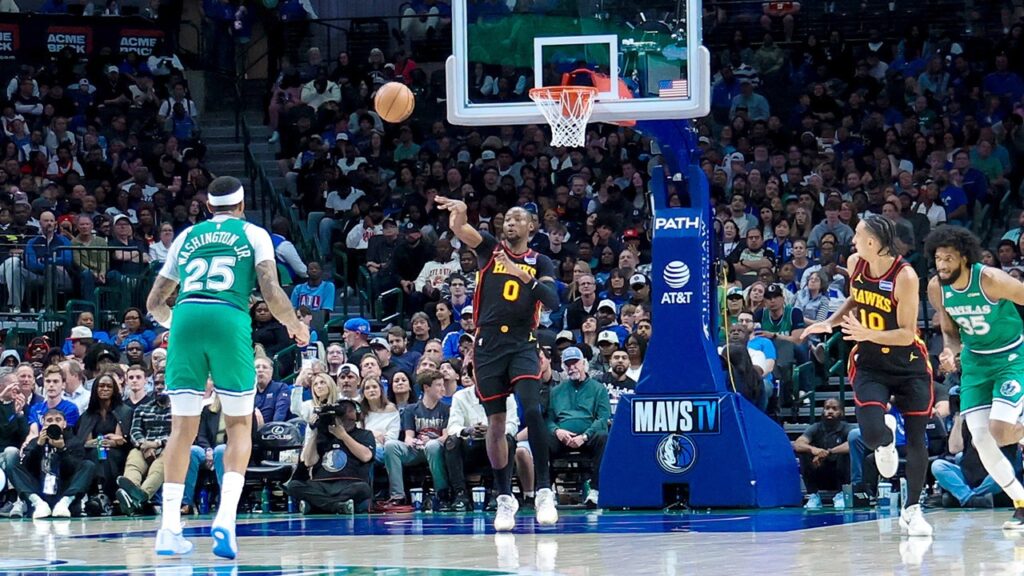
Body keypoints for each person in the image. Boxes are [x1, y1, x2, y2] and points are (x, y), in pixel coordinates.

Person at [145, 176, 309, 558]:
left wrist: (179, 324)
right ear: (242, 205)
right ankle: (226, 519)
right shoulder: (254, 234)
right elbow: (270, 289)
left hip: (186, 317)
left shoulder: (187, 236)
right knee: (238, 424)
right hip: (228, 317)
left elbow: (154, 302)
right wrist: (295, 325)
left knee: (181, 430)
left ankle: (169, 529)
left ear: (208, 207)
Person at [803, 214, 933, 537]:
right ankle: (885, 442)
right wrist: (829, 322)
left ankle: (912, 511)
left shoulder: (905, 276)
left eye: (858, 236)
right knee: (872, 435)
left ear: (873, 242)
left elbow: (907, 333)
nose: (852, 241)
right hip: (871, 364)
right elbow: (856, 298)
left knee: (916, 437)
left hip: (908, 364)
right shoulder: (855, 263)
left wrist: (867, 332)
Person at [435, 196, 561, 531]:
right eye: (507, 218)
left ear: (532, 227)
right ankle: (505, 497)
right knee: (496, 423)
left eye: (518, 218)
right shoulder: (490, 249)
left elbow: (552, 300)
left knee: (532, 409)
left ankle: (544, 491)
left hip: (522, 341)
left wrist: (522, 274)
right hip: (488, 343)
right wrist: (460, 214)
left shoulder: (541, 262)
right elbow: (461, 229)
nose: (511, 222)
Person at [925, 226, 1024, 528]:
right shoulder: (936, 287)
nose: (942, 265)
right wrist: (948, 352)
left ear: (964, 258)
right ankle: (1021, 501)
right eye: (938, 259)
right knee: (981, 439)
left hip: (1010, 358)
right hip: (975, 364)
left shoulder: (991, 279)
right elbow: (950, 331)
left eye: (949, 259)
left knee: (1000, 431)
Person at [546, 346, 610, 509]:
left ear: (584, 363)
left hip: (588, 436)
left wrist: (585, 436)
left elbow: (603, 418)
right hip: (562, 437)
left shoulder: (598, 388)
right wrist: (557, 431)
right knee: (543, 438)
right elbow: (548, 420)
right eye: (568, 364)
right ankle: (547, 490)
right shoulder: (555, 391)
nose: (572, 367)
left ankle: (595, 490)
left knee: (603, 436)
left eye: (575, 363)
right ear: (563, 367)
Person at [286, 397, 374, 514]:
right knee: (294, 486)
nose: (344, 412)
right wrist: (314, 432)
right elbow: (308, 461)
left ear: (356, 415)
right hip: (321, 484)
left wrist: (343, 435)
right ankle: (338, 506)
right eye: (342, 409)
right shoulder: (323, 435)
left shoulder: (364, 434)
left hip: (349, 483)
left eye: (349, 409)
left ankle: (317, 505)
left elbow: (366, 456)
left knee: (363, 489)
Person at [5, 408, 95, 518]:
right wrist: (38, 446)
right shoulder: (35, 441)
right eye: (49, 420)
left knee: (88, 465)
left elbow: (72, 470)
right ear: (43, 423)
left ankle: (64, 503)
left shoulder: (74, 442)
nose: (53, 423)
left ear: (64, 424)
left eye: (58, 420)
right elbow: (26, 468)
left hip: (64, 491)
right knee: (10, 456)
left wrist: (62, 449)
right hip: (39, 490)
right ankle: (38, 503)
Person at [792, 398, 854, 509]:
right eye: (827, 408)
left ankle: (842, 494)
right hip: (820, 472)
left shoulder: (847, 428)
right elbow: (798, 444)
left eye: (834, 409)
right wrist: (813, 450)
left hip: (840, 475)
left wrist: (829, 452)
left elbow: (852, 444)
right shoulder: (816, 427)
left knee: (847, 453)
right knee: (803, 451)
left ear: (841, 412)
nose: (830, 411)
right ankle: (813, 495)